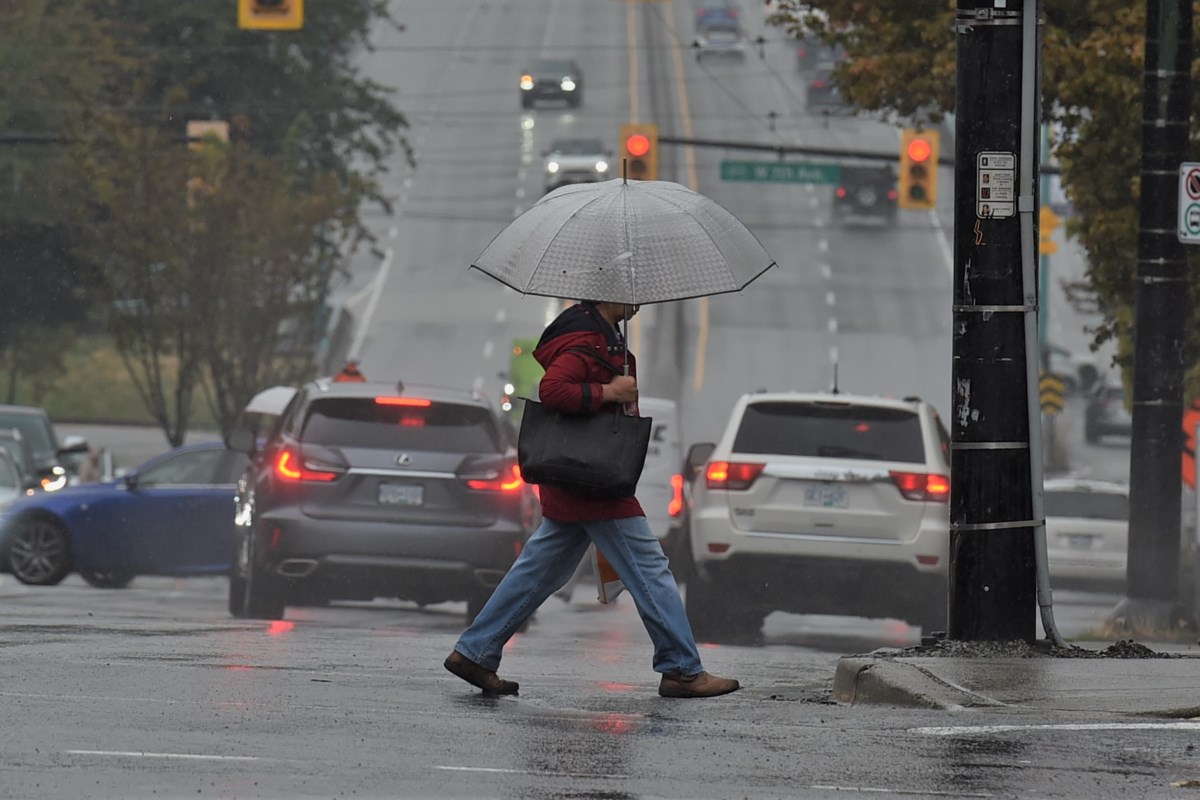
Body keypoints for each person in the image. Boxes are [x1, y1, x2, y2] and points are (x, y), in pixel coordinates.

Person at [444, 300, 740, 699]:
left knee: (541, 570)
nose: (637, 303)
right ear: (607, 295)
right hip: (594, 482)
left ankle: (475, 652)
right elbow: (553, 391)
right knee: (651, 569)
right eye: (630, 294)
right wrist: (608, 390)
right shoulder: (587, 339)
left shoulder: (603, 337)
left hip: (579, 479)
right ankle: (681, 668)